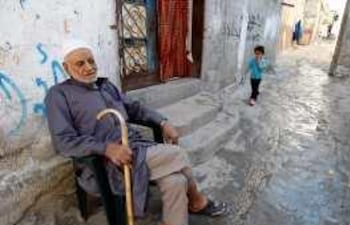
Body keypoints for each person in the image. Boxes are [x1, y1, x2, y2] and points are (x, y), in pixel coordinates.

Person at [44, 39, 228, 225]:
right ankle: (197, 200)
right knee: (177, 154)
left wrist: (163, 122)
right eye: (80, 63)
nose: (89, 67)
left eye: (91, 61)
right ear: (66, 68)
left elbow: (135, 108)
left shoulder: (105, 86)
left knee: (177, 181)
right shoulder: (58, 95)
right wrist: (106, 148)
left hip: (137, 148)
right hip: (106, 163)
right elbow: (63, 141)